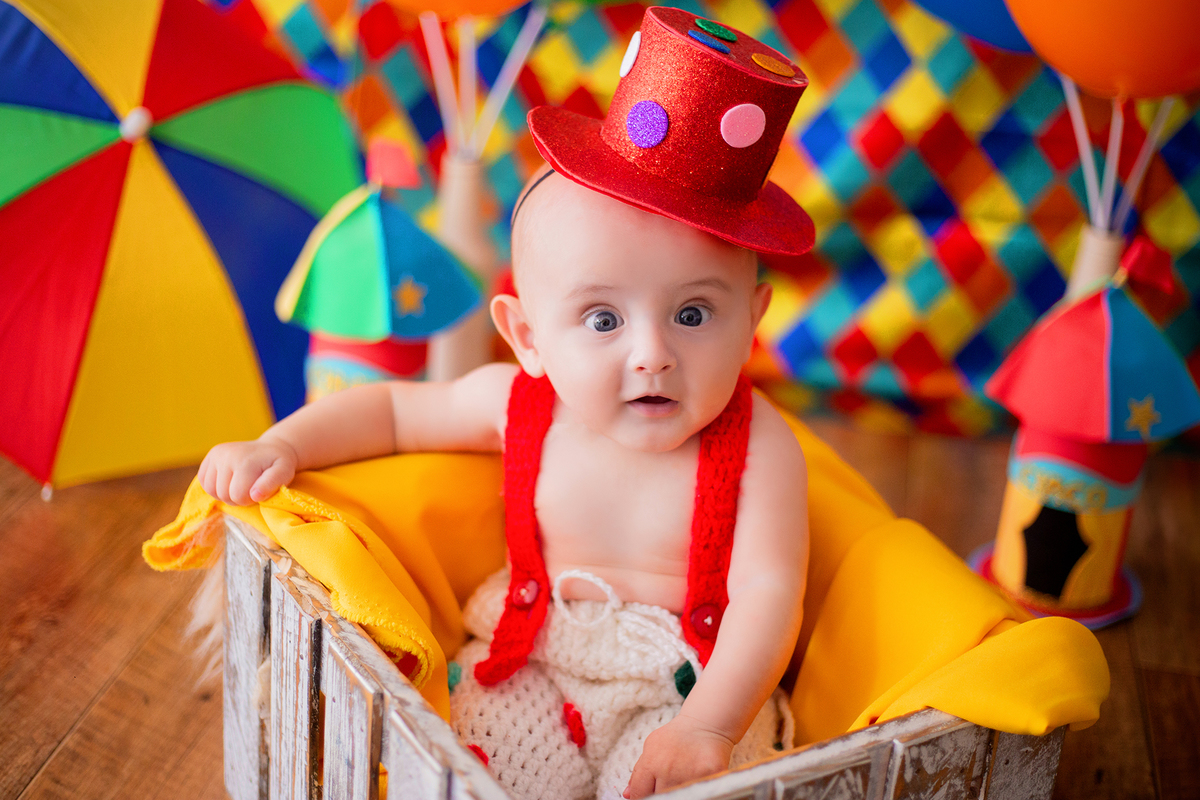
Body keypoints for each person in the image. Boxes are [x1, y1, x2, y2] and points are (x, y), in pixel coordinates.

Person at [199, 8, 816, 798]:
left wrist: (711, 725)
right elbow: (390, 413)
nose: (652, 352)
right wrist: (281, 446)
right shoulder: (524, 405)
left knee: (691, 788)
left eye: (693, 314)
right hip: (530, 658)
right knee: (468, 763)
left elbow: (768, 593)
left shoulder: (762, 446)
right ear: (527, 337)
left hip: (689, 683)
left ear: (753, 322)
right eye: (602, 319)